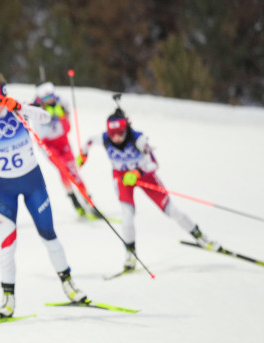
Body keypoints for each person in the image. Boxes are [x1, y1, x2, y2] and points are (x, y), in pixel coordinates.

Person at [0, 73, 88, 318]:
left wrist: (20, 107)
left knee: (49, 235)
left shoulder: (18, 109)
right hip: (4, 189)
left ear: (5, 95)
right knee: (7, 245)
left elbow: (46, 116)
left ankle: (69, 285)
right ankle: (8, 299)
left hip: (33, 184)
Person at [77, 107, 219, 270]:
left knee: (171, 210)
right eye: (112, 134)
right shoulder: (104, 138)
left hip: (145, 176)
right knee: (127, 217)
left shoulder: (138, 140)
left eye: (121, 133)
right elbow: (88, 142)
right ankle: (130, 254)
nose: (116, 138)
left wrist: (137, 172)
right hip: (123, 180)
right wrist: (83, 155)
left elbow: (154, 163)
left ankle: (200, 236)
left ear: (126, 129)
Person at [31, 82, 94, 218]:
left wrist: (61, 117)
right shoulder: (37, 110)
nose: (50, 100)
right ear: (40, 99)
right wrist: (49, 118)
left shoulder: (62, 104)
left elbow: (67, 129)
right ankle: (74, 200)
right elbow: (42, 134)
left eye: (51, 97)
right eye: (46, 99)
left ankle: (88, 201)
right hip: (48, 145)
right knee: (64, 170)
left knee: (73, 170)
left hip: (63, 142)